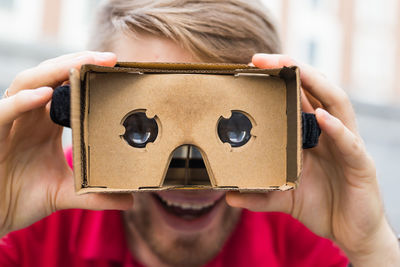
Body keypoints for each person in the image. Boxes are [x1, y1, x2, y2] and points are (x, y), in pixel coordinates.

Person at [0, 0, 399, 266]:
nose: (189, 173)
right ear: (85, 114)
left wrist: (371, 247)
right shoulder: (36, 202)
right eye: (141, 126)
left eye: (234, 128)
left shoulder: (306, 218)